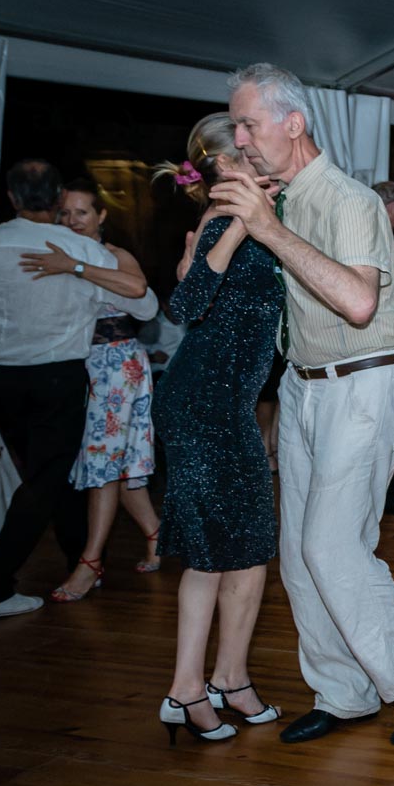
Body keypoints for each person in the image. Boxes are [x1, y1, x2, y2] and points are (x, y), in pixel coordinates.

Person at [211, 62, 394, 746]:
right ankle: (343, 690)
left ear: (294, 124)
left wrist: (266, 226)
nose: (241, 139)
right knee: (298, 554)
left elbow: (357, 301)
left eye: (249, 124)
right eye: (235, 125)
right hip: (304, 386)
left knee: (332, 545)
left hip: (363, 381)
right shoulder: (276, 197)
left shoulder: (349, 200)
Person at [0, 159, 127, 619]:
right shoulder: (81, 250)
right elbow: (136, 304)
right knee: (44, 479)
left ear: (11, 197)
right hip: (59, 375)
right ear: (59, 198)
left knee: (47, 473)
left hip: (3, 381)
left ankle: (79, 558)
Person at [151, 113, 285, 743]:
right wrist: (233, 229)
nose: (263, 155)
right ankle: (185, 688)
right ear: (232, 164)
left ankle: (230, 678)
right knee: (212, 554)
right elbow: (184, 305)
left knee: (251, 547)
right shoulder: (226, 216)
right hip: (201, 404)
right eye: (252, 150)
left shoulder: (255, 213)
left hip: (228, 404)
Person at [23, 178, 165, 600]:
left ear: (101, 216)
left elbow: (138, 290)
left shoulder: (112, 255)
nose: (71, 220)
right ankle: (158, 535)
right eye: (65, 212)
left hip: (116, 365)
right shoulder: (54, 255)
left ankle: (89, 562)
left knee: (103, 464)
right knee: (115, 465)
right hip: (76, 368)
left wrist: (76, 267)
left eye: (81, 212)